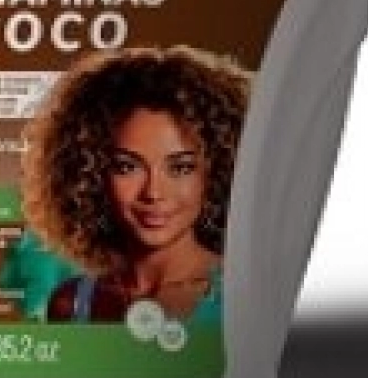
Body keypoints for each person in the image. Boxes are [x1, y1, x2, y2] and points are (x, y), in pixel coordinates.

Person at [20, 45, 251, 324]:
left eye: (180, 168)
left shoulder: (246, 294)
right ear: (90, 176)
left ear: (217, 172)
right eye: (127, 167)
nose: (153, 193)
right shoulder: (72, 304)